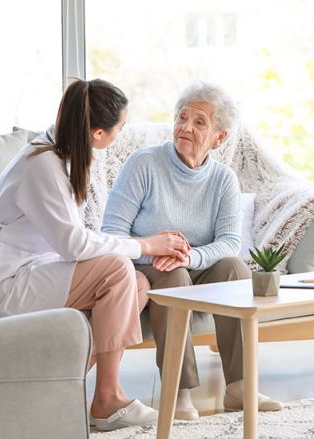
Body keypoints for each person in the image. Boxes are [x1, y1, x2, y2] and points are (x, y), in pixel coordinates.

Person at [0, 79, 189, 431]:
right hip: (5, 284)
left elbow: (73, 241)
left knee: (137, 284)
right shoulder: (41, 166)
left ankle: (55, 388)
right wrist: (145, 245)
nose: (121, 134)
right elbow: (73, 245)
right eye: (120, 128)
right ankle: (108, 399)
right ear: (98, 134)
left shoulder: (58, 156)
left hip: (33, 271)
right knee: (119, 270)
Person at [101, 81, 284, 420]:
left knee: (234, 269)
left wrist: (191, 256)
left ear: (219, 137)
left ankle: (240, 386)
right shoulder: (144, 164)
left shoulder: (224, 179)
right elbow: (111, 234)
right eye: (182, 117)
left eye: (199, 122)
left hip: (195, 263)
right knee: (173, 274)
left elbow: (230, 242)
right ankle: (179, 391)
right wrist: (156, 252)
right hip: (146, 264)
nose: (185, 126)